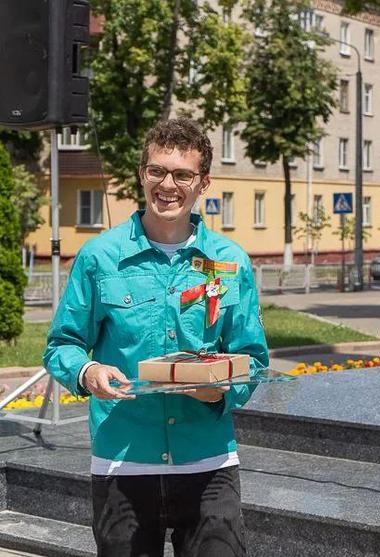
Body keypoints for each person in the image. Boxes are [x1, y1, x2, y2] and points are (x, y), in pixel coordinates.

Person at [44, 118, 269, 556]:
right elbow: (62, 345)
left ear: (203, 182)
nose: (168, 185)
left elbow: (252, 357)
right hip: (124, 462)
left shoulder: (229, 261)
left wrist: (220, 390)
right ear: (141, 175)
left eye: (182, 174)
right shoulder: (99, 257)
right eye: (157, 171)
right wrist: (87, 371)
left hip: (208, 464)